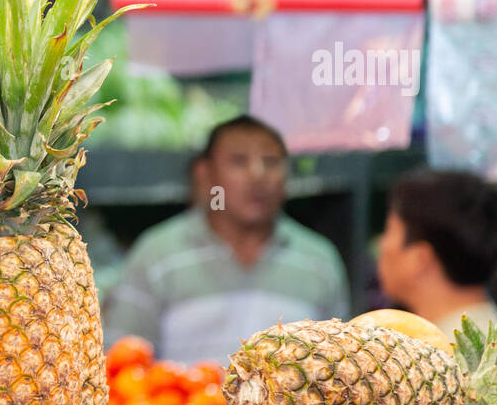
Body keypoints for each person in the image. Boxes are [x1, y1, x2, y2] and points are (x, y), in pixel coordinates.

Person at [102, 115, 349, 364]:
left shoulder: (319, 262)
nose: (257, 174)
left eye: (271, 161)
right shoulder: (157, 255)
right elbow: (120, 363)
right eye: (239, 161)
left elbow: (339, 367)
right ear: (205, 175)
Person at [376, 170, 497, 337]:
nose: (381, 244)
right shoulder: (494, 338)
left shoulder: (446, 354)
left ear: (419, 258)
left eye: (389, 230)